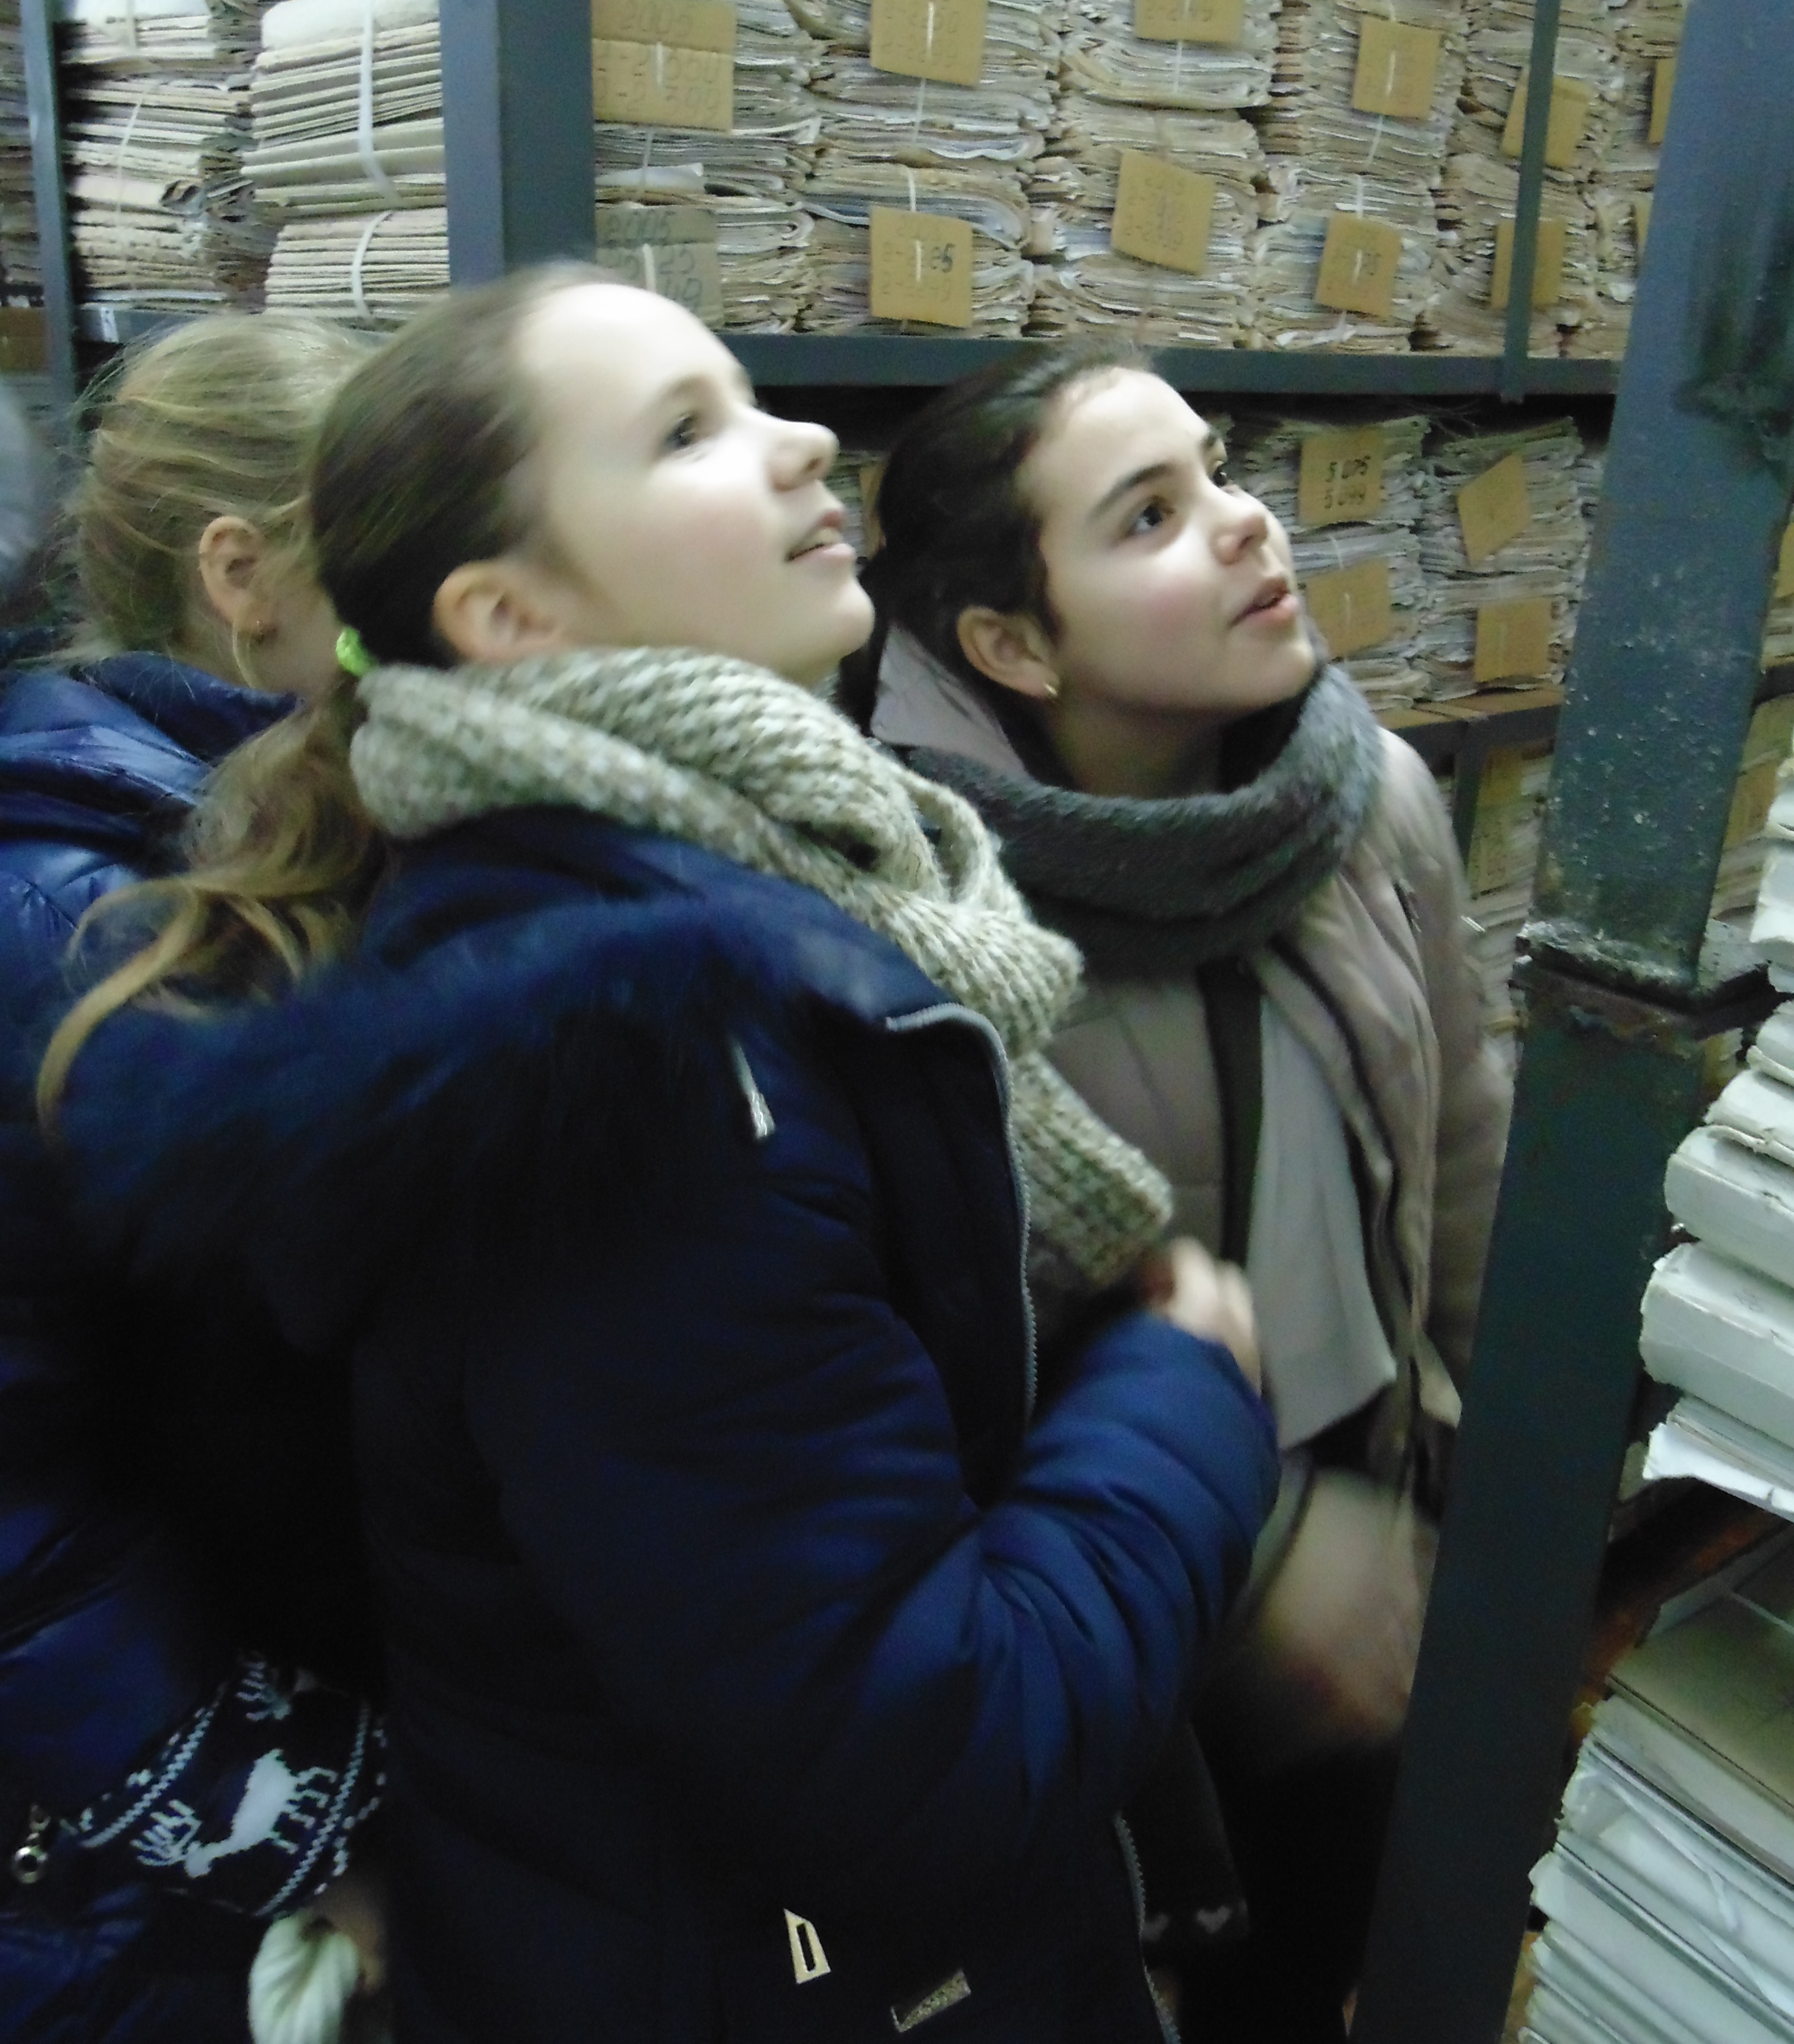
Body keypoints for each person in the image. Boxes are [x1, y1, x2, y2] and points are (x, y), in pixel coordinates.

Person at [42, 268, 1280, 2044]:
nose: (806, 443)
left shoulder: (738, 905)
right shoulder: (642, 1063)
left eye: (754, 395)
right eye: (688, 432)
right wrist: (1186, 1389)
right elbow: (914, 1760)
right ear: (511, 615)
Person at [846, 343, 1512, 2044]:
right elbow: (937, 1374)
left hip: (1382, 1520)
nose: (1243, 521)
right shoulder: (919, 931)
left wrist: (1488, 1472)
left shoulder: (1367, 802)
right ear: (1012, 644)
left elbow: (1459, 1150)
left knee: (1316, 1954)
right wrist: (1266, 1556)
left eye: (1217, 469)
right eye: (1148, 516)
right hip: (1115, 1594)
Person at [0, 316, 387, 2043]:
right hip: (160, 1901)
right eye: (389, 570)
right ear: (242, 577)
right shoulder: (80, 925)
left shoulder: (305, 848)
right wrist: (303, 1821)